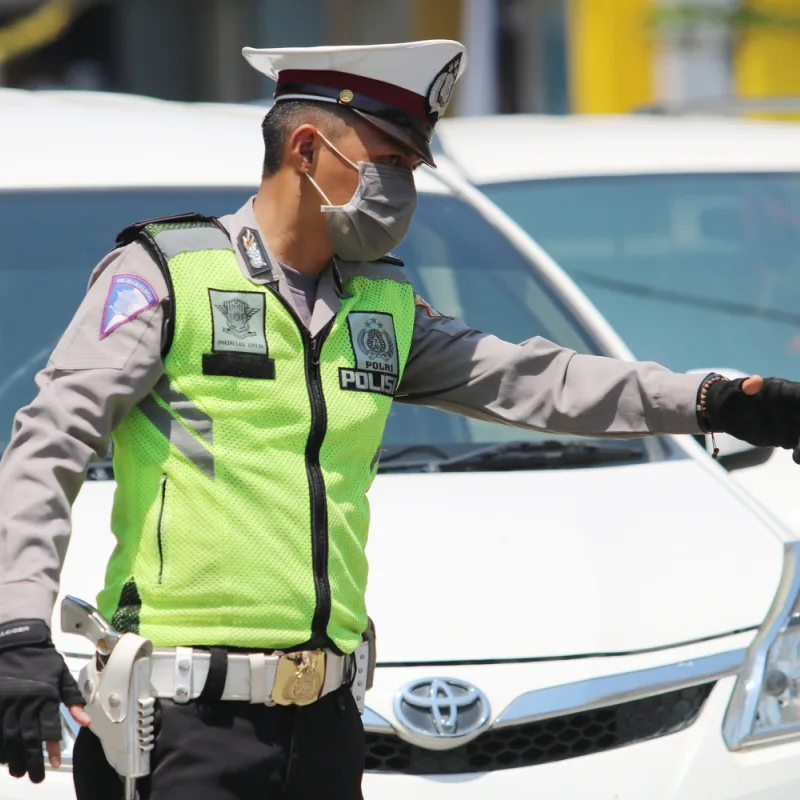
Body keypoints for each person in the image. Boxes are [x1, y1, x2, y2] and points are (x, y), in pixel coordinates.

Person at [0, 38, 799, 800]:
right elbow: (48, 445)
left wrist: (713, 401)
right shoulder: (167, 277)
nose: (404, 190)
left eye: (413, 168)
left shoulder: (378, 305)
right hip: (180, 722)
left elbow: (534, 380)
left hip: (329, 722)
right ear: (307, 151)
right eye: (389, 163)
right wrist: (17, 628)